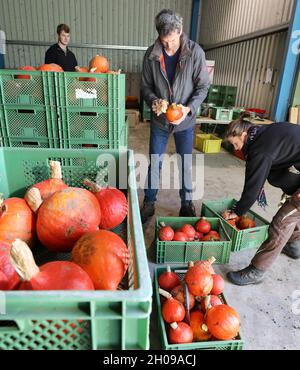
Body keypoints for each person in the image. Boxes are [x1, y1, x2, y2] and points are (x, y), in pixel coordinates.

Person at [140, 9, 210, 223]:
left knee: (185, 163)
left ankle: (186, 203)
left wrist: (188, 109)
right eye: (164, 41)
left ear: (180, 31)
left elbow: (203, 86)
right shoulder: (152, 55)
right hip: (161, 121)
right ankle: (149, 202)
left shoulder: (195, 53)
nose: (168, 46)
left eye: (171, 41)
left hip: (185, 121)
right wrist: (154, 101)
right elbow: (145, 87)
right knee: (154, 161)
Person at [222, 114, 300, 286]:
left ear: (243, 135)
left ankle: (257, 270)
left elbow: (252, 188)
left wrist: (237, 211)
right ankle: (294, 246)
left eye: (236, 144)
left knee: (281, 222)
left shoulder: (260, 149)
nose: (236, 149)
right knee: (295, 212)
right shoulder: (262, 132)